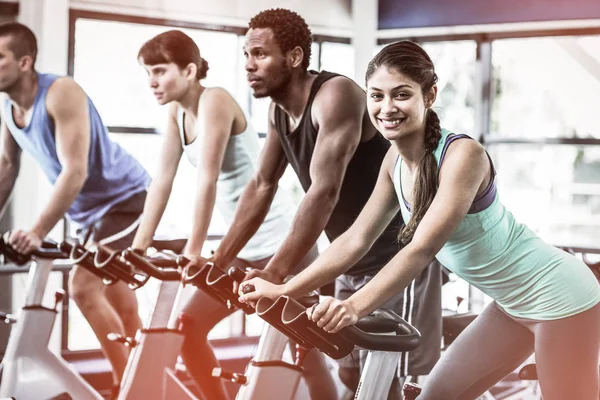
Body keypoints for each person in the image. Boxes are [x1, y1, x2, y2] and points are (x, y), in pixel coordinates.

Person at [240, 40, 600, 400]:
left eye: (401, 95)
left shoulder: (463, 155)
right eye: (376, 96)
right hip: (509, 306)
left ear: (429, 96)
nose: (386, 108)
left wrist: (353, 306)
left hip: (561, 299)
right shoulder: (393, 163)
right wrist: (283, 289)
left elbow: (422, 248)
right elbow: (355, 239)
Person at [210, 8, 442, 397]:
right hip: (349, 258)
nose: (249, 65)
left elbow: (323, 192)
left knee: (394, 382)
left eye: (260, 54)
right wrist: (218, 261)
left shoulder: (335, 96)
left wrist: (274, 273)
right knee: (351, 374)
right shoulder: (279, 113)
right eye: (246, 55)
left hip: (397, 257)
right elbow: (263, 184)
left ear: (295, 57)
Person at [131, 30, 335, 400]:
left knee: (303, 350)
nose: (152, 82)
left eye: (159, 71)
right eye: (147, 73)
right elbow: (162, 181)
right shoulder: (178, 113)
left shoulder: (216, 101)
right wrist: (139, 247)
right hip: (242, 247)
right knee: (188, 327)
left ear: (190, 70)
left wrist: (195, 250)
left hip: (283, 244)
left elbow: (206, 181)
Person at [0, 22, 150, 397]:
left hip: (125, 200)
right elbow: (6, 167)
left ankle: (130, 388)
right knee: (121, 306)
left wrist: (35, 231)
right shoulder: (8, 106)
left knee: (83, 287)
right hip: (88, 214)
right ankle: (150, 378)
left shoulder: (60, 91)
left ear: (24, 62)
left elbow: (75, 170)